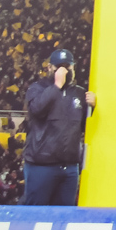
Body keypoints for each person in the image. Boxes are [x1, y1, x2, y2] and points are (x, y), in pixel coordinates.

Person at [21, 48, 94, 206]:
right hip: (41, 166)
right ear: (49, 68)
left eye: (67, 67)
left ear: (73, 68)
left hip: (69, 168)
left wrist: (92, 107)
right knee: (35, 213)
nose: (64, 71)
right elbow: (37, 109)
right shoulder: (37, 88)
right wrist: (56, 86)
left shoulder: (79, 93)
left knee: (63, 216)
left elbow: (84, 127)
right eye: (59, 67)